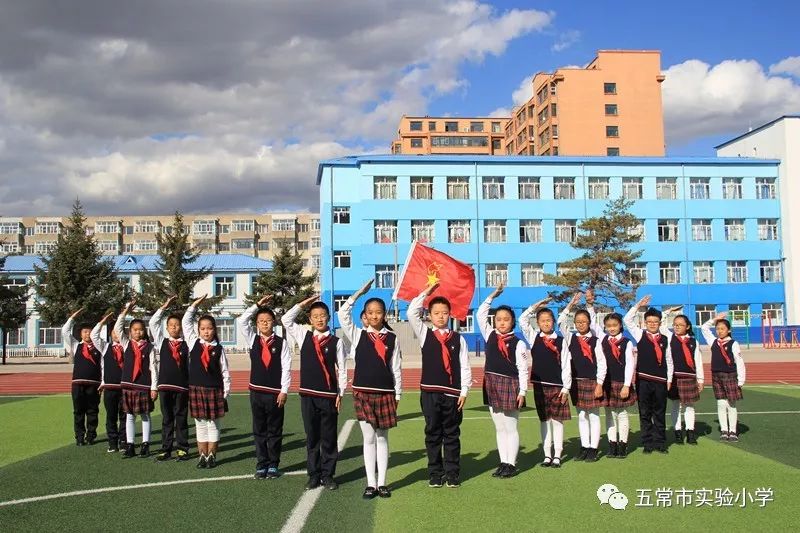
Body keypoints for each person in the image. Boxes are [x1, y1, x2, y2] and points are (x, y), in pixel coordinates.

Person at [338, 280, 401, 499]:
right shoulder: (357, 335)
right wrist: (358, 293)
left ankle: (383, 483)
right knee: (369, 438)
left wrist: (398, 393)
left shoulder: (392, 338)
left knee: (382, 438)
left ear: (384, 315)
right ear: (365, 315)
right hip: (362, 392)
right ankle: (370, 484)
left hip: (385, 393)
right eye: (370, 313)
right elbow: (342, 313)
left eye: (379, 313)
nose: (375, 316)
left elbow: (396, 367)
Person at [408, 282, 471, 488]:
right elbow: (411, 312)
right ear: (430, 315)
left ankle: (452, 473)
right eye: (436, 313)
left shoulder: (458, 339)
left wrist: (464, 391)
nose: (441, 316)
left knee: (452, 434)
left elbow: (464, 365)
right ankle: (435, 472)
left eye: (445, 312)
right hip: (430, 392)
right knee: (433, 433)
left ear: (450, 314)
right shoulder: (425, 334)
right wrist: (426, 292)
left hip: (453, 394)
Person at [282, 294, 347, 491]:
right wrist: (303, 304)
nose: (319, 319)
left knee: (328, 437)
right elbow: (286, 319)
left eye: (323, 315)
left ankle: (328, 475)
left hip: (328, 397)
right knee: (312, 437)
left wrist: (340, 394)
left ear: (329, 318)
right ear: (310, 319)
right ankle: (313, 475)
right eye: (315, 316)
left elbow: (342, 369)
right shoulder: (304, 336)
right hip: (308, 395)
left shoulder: (337, 342)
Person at [237, 295, 292, 480]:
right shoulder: (252, 339)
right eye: (261, 321)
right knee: (259, 430)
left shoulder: (281, 343)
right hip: (256, 392)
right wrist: (258, 305)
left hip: (275, 394)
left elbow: (286, 367)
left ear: (273, 322)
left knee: (274, 430)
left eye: (268, 320)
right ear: (257, 323)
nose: (265, 324)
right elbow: (242, 320)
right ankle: (261, 464)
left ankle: (273, 464)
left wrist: (284, 390)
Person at [477, 284, 526, 478]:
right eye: (498, 319)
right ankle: (503, 462)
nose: (502, 322)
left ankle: (511, 464)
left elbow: (523, 369)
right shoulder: (490, 334)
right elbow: (481, 313)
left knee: (511, 426)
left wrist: (522, 391)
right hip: (492, 383)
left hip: (510, 385)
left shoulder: (518, 342)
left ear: (512, 321)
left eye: (506, 319)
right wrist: (492, 296)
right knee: (499, 427)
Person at [521, 298, 571, 468]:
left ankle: (557, 454)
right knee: (544, 420)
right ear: (538, 323)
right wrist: (535, 306)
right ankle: (547, 455)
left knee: (557, 421)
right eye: (542, 321)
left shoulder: (561, 340)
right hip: (539, 386)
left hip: (558, 387)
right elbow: (522, 320)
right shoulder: (534, 337)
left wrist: (566, 387)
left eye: (549, 320)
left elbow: (566, 365)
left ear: (554, 322)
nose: (546, 323)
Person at [183, 295, 231, 468]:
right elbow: (186, 322)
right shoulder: (193, 342)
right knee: (200, 424)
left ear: (214, 330)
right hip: (196, 389)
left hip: (214, 390)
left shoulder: (218, 349)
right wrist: (194, 306)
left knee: (213, 424)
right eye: (202, 328)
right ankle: (202, 456)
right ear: (198, 330)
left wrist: (225, 394)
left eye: (209, 328)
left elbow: (225, 372)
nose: (206, 331)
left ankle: (212, 455)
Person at [559, 291, 606, 462]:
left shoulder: (596, 340)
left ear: (589, 323)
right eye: (578, 322)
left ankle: (594, 448)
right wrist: (570, 305)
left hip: (592, 382)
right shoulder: (570, 337)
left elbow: (602, 363)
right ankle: (584, 447)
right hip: (576, 383)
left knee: (593, 415)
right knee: (581, 416)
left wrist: (600, 383)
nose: (580, 324)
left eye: (584, 322)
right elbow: (560, 321)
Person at [624, 295, 674, 454]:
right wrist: (638, 305)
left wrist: (669, 379)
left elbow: (669, 360)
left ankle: (660, 442)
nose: (652, 324)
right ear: (645, 323)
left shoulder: (666, 339)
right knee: (644, 412)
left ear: (660, 322)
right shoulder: (640, 335)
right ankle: (647, 443)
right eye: (650, 322)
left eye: (655, 322)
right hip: (643, 380)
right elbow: (627, 320)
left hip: (660, 380)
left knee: (659, 412)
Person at [150, 296, 191, 462]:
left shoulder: (187, 343)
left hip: (182, 387)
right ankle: (166, 448)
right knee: (167, 419)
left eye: (177, 325)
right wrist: (163, 307)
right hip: (165, 386)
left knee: (181, 417)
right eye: (171, 325)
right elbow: (153, 323)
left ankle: (182, 448)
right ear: (167, 328)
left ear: (181, 328)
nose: (174, 328)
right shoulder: (162, 342)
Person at [115, 300, 158, 458]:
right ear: (130, 331)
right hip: (128, 384)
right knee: (130, 416)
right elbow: (117, 328)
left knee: (145, 415)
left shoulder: (150, 347)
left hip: (144, 385)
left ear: (144, 331)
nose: (138, 332)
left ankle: (146, 444)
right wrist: (125, 311)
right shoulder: (126, 344)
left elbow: (153, 367)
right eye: (134, 330)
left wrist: (154, 387)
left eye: (140, 330)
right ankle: (130, 444)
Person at [595, 312, 636, 459]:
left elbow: (630, 365)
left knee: (622, 414)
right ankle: (612, 446)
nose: (611, 328)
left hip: (621, 382)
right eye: (608, 326)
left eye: (615, 325)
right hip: (607, 383)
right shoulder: (602, 340)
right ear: (605, 327)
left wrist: (626, 385)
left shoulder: (627, 342)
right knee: (609, 414)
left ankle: (623, 445)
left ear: (620, 325)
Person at [701, 312, 746, 442]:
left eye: (722, 329)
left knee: (731, 404)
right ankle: (724, 430)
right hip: (716, 375)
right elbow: (704, 327)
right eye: (718, 329)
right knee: (721, 403)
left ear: (729, 330)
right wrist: (715, 319)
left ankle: (733, 431)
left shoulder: (733, 343)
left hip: (730, 375)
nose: (719, 331)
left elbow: (739, 361)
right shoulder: (713, 342)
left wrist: (741, 379)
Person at [662, 310, 704, 445]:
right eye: (675, 324)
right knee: (675, 405)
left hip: (689, 376)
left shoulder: (693, 341)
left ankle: (690, 432)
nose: (677, 327)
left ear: (688, 327)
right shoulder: (669, 338)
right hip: (675, 376)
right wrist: (668, 312)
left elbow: (698, 361)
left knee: (689, 406)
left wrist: (701, 379)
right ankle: (677, 432)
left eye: (680, 324)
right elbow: (661, 324)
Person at [63, 308, 102, 446]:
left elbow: (103, 366)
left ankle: (91, 435)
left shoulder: (99, 347)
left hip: (94, 384)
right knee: (78, 411)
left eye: (90, 332)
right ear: (80, 334)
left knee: (92, 411)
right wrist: (73, 318)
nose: (88, 334)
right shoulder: (75, 346)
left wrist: (102, 382)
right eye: (85, 331)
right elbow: (65, 331)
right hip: (78, 384)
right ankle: (79, 437)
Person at [91, 313, 126, 452]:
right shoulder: (105, 347)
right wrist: (103, 321)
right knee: (111, 416)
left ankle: (124, 441)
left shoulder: (128, 346)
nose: (117, 334)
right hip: (110, 388)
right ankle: (112, 442)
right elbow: (94, 335)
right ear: (111, 334)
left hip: (124, 387)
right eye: (114, 332)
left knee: (124, 416)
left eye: (119, 331)